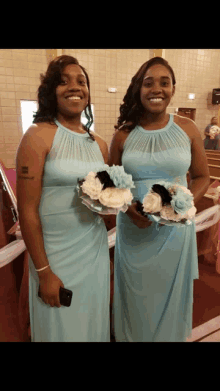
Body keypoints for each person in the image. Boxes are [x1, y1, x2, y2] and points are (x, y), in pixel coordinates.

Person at [109, 56, 210, 342]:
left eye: (164, 83)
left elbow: (202, 177)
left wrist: (185, 203)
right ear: (138, 89)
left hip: (174, 233)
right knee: (135, 299)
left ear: (173, 89)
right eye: (148, 83)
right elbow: (110, 185)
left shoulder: (188, 128)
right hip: (134, 231)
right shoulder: (123, 134)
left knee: (170, 299)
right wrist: (129, 210)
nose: (157, 89)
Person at [16, 55, 110, 342]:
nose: (75, 87)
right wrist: (44, 271)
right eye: (64, 81)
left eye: (81, 81)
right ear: (50, 91)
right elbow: (27, 211)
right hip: (54, 256)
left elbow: (104, 201)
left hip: (93, 252)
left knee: (91, 325)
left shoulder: (101, 145)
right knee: (59, 329)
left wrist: (115, 203)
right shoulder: (37, 137)